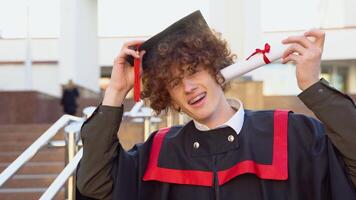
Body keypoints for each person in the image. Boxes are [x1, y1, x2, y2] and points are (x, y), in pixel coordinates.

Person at [76, 11, 356, 200]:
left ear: (216, 68)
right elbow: (94, 184)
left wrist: (314, 87)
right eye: (174, 83)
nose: (188, 87)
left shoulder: (292, 134)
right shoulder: (159, 153)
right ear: (167, 96)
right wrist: (115, 91)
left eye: (193, 70)